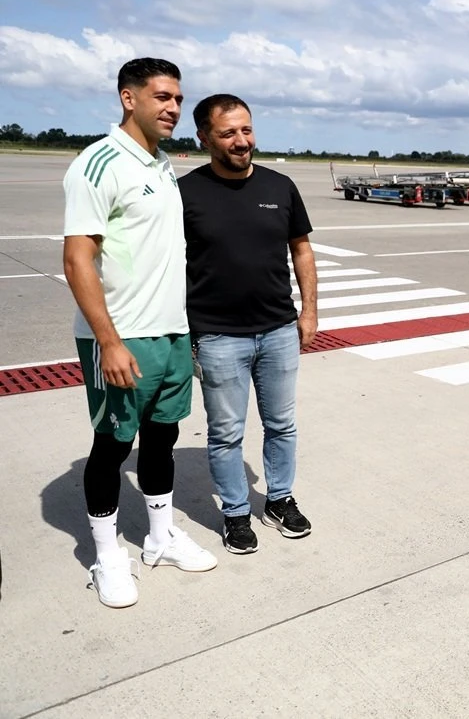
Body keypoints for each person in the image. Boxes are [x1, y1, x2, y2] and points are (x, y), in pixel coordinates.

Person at [63, 58, 218, 609]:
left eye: (177, 97)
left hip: (171, 333)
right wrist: (109, 341)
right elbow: (78, 259)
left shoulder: (160, 164)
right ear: (129, 99)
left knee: (163, 438)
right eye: (162, 97)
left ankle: (159, 538)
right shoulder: (98, 164)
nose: (174, 107)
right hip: (123, 338)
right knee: (111, 445)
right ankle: (106, 557)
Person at [179, 94, 317, 555]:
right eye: (228, 133)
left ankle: (279, 499)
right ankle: (236, 513)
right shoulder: (186, 193)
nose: (242, 141)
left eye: (247, 130)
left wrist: (309, 310)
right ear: (204, 137)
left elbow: (301, 249)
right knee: (226, 433)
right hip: (217, 335)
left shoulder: (280, 186)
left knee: (282, 424)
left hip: (278, 329)